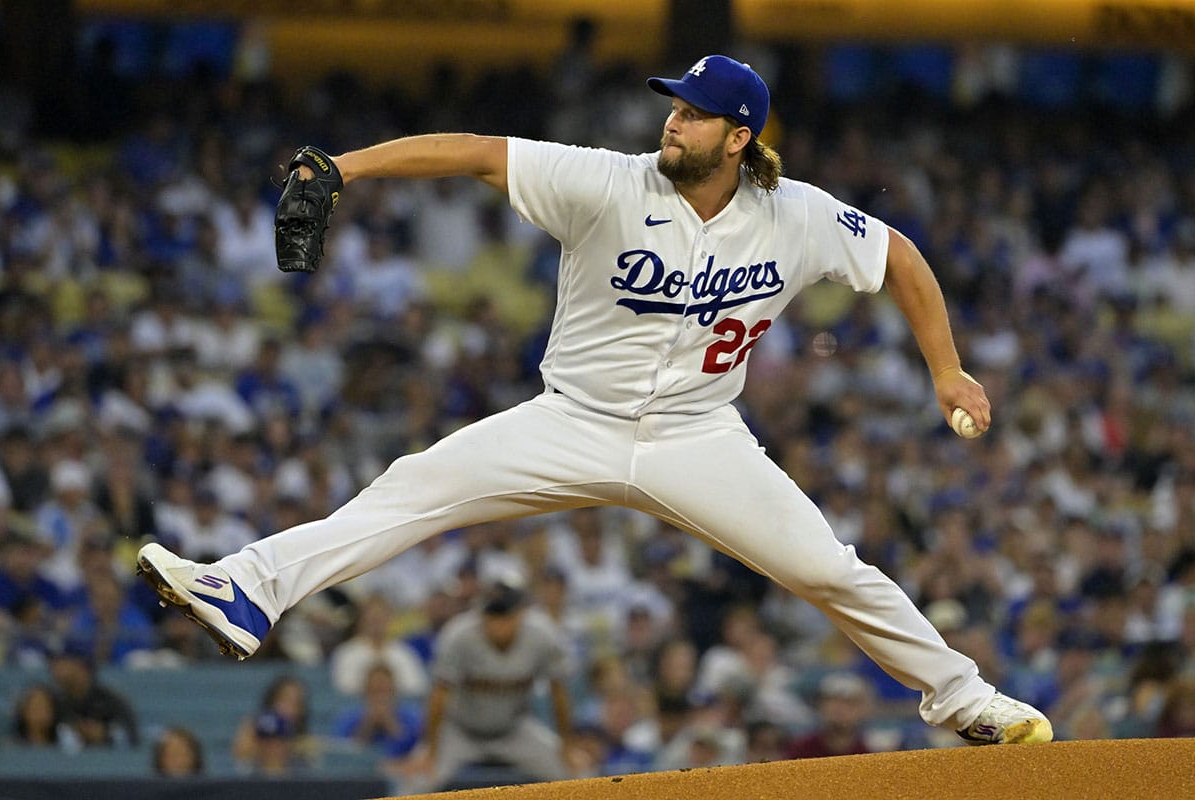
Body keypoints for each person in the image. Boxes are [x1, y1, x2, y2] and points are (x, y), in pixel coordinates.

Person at [138, 54, 1052, 747]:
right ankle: (247, 589)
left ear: (739, 138)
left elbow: (897, 254)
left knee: (826, 570)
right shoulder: (609, 181)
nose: (675, 123)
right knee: (410, 489)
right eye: (675, 107)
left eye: (696, 115)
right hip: (569, 420)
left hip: (698, 436)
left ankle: (966, 700)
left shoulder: (797, 214)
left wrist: (946, 368)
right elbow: (473, 154)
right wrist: (345, 167)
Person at [397, 575, 577, 790]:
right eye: (492, 615)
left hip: (514, 729)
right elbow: (438, 696)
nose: (497, 623)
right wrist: (431, 750)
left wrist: (567, 746)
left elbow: (558, 692)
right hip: (459, 731)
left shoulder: (541, 635)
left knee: (579, 774)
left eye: (505, 615)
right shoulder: (458, 634)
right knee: (415, 783)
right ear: (481, 613)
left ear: (521, 612)